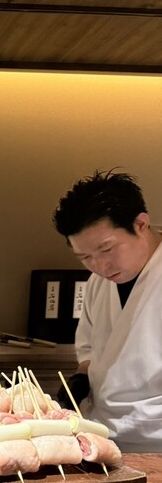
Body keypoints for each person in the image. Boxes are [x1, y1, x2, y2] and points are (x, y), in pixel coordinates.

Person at [53, 169, 162, 452]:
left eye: (107, 249)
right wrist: (79, 380)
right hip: (100, 435)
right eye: (85, 257)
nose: (100, 266)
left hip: (156, 441)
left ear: (141, 224)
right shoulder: (97, 283)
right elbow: (89, 351)